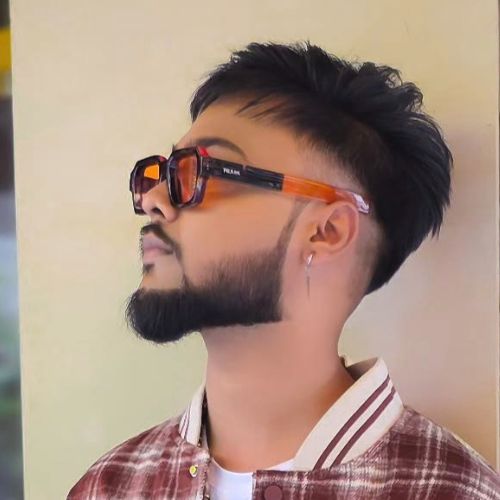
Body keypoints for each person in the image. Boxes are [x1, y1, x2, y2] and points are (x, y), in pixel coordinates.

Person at [67, 41, 500, 499]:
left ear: (327, 231)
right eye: (163, 173)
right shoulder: (109, 485)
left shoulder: (451, 490)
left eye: (198, 173)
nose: (154, 199)